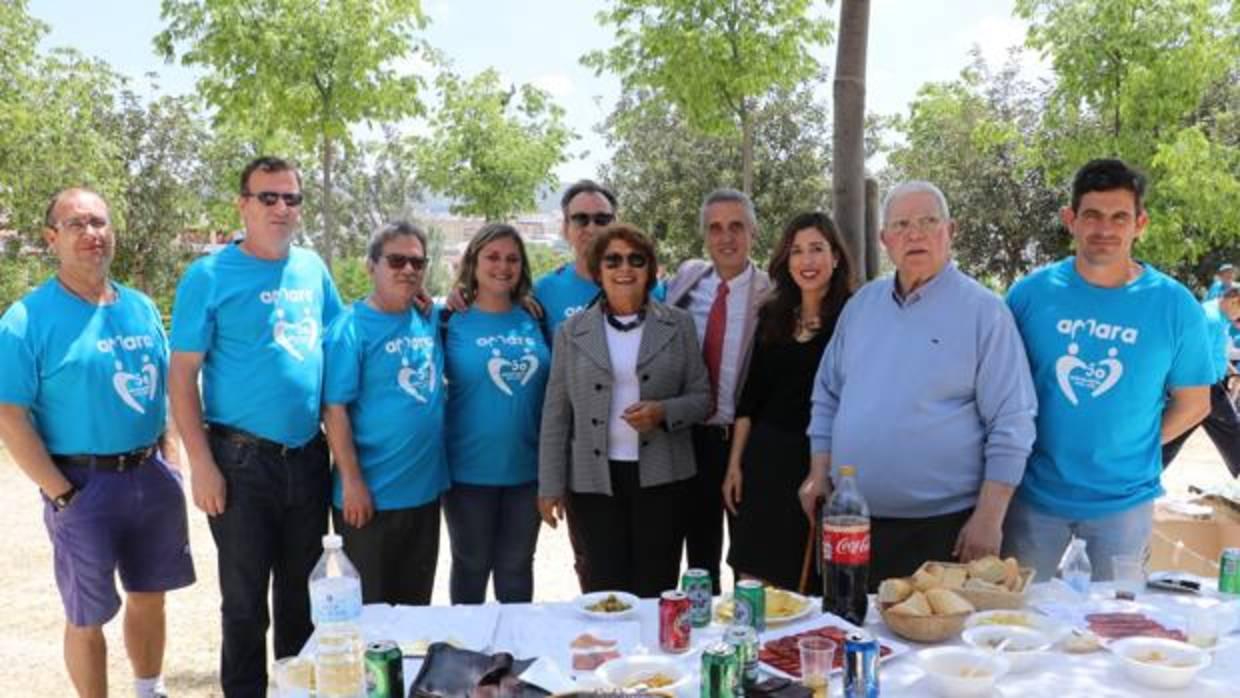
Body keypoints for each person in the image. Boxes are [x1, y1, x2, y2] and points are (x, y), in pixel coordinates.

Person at [0, 188, 195, 698]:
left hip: (150, 476)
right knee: (87, 614)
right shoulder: (26, 320)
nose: (92, 234)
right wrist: (60, 493)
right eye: (77, 225)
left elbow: (161, 388)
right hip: (81, 483)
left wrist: (169, 459)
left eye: (99, 223)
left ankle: (148, 689)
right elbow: (8, 413)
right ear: (51, 239)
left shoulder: (141, 307)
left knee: (150, 595)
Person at [799, 181, 1038, 589]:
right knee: (851, 637)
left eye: (929, 221)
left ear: (951, 231)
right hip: (851, 521)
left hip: (943, 529)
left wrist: (989, 517)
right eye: (902, 224)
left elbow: (1012, 422)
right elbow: (827, 396)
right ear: (885, 239)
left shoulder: (985, 313)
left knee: (931, 648)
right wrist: (818, 472)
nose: (915, 234)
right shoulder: (861, 307)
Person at [168, 156, 343, 696]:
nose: (281, 208)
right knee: (244, 605)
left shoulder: (313, 269)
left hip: (307, 458)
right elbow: (181, 379)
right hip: (240, 465)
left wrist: (433, 307)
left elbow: (343, 340)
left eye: (291, 198)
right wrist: (201, 464)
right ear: (243, 204)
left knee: (301, 601)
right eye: (268, 197)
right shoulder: (209, 276)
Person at [1004, 159, 1213, 581]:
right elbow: (997, 390)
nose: (1105, 229)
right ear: (1071, 220)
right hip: (1034, 497)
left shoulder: (1175, 305)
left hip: (1125, 503)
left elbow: (1194, 404)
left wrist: (1134, 445)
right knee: (1020, 623)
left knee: (1114, 629)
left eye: (1120, 217)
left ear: (1140, 223)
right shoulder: (1029, 296)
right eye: (1092, 215)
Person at [539, 224, 711, 597]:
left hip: (663, 481)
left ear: (650, 269)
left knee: (656, 585)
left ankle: (654, 655)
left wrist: (663, 411)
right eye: (612, 260)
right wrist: (550, 485)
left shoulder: (677, 325)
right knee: (603, 588)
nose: (624, 268)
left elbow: (701, 397)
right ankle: (608, 656)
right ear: (598, 271)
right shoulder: (572, 331)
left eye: (636, 259)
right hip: (592, 482)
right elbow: (556, 413)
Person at [722, 212, 855, 594]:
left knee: (810, 580)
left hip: (820, 459)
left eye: (817, 249)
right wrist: (734, 465)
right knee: (754, 576)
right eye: (797, 251)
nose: (807, 261)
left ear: (836, 257)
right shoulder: (772, 314)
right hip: (765, 462)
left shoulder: (853, 316)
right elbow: (751, 398)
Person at [322, 221, 447, 605]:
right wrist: (353, 482)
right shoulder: (350, 328)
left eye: (417, 262)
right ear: (371, 266)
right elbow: (334, 409)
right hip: (370, 501)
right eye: (396, 260)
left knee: (415, 614)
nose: (408, 270)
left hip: (423, 497)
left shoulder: (426, 319)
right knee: (372, 617)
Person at [666, 188, 773, 594]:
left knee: (749, 557)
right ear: (705, 236)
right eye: (715, 228)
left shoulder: (773, 294)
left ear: (753, 232)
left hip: (744, 442)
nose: (725, 238)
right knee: (699, 557)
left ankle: (748, 640)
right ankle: (700, 644)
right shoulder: (687, 282)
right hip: (692, 439)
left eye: (736, 227)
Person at [441, 224, 551, 604]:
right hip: (467, 473)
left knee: (517, 569)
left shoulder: (536, 317)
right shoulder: (448, 320)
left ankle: (514, 658)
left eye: (512, 259)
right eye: (492, 257)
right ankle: (466, 659)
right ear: (472, 262)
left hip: (527, 471)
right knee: (471, 567)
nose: (502, 266)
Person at [1162, 284, 1239, 476]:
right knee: (1233, 431)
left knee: (1174, 435)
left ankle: (1141, 473)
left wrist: (1231, 371)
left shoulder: (1217, 316)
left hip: (1207, 383)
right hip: (1204, 386)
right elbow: (1192, 354)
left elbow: (1214, 353)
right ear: (1234, 301)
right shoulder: (1210, 318)